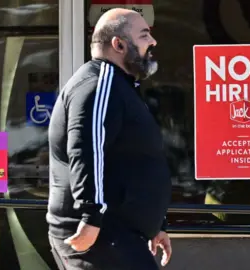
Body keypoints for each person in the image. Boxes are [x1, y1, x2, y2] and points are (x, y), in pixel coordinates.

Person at [46, 8, 172, 270]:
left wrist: (156, 223)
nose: (153, 42)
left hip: (118, 234)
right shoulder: (99, 84)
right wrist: (91, 215)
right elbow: (86, 150)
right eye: (145, 35)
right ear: (119, 44)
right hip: (102, 235)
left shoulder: (119, 85)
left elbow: (132, 161)